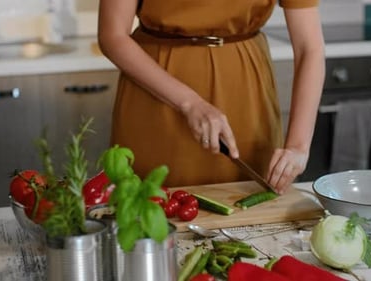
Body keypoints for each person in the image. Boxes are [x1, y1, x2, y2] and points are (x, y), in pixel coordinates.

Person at [98, 0, 325, 194]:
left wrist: (298, 146)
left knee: (248, 213)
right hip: (155, 97)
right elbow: (112, 36)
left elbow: (309, 48)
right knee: (146, 219)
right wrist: (189, 102)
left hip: (245, 96)